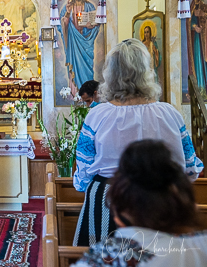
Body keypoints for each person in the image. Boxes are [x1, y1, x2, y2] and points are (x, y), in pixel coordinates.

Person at [73, 38, 203, 247]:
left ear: (110, 74)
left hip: (110, 202)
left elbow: (84, 169)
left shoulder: (97, 115)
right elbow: (190, 168)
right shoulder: (170, 114)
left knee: (107, 259)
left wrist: (84, 187)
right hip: (162, 203)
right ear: (147, 71)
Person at [71, 140, 207, 267]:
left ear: (118, 210)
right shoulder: (202, 245)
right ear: (186, 203)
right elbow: (193, 167)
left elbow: (84, 167)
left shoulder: (104, 257)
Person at [57, 0, 100, 95]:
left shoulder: (90, 6)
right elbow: (62, 27)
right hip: (73, 44)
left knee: (87, 68)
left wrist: (91, 26)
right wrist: (68, 13)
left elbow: (96, 24)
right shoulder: (67, 7)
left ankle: (88, 95)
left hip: (86, 44)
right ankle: (76, 94)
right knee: (74, 69)